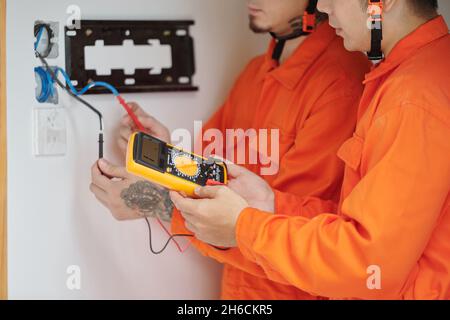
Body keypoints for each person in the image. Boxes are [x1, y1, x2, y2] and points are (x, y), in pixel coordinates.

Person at [90, 0, 370, 299]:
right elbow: (212, 177)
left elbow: (292, 232)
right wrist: (164, 153)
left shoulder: (340, 84)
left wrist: (156, 202)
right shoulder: (255, 73)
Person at [170, 0, 450, 299]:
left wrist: (245, 228)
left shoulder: (413, 99)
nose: (324, 8)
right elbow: (362, 228)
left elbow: (368, 266)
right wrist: (271, 205)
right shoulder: (406, 78)